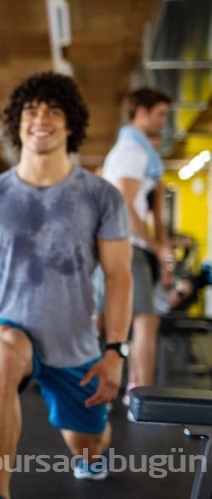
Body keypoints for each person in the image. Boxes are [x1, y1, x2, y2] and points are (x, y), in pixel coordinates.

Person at [0, 72, 133, 498]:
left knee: (87, 444)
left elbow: (119, 276)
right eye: (31, 111)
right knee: (5, 358)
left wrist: (116, 351)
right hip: (8, 326)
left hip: (75, 343)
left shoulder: (101, 196)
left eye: (54, 110)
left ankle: (92, 452)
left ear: (70, 125)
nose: (40, 118)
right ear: (17, 122)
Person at [101, 87, 173, 406]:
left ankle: (137, 389)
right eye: (160, 114)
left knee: (140, 319)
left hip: (130, 246)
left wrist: (161, 248)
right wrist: (156, 246)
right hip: (129, 246)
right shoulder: (132, 151)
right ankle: (140, 394)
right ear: (140, 113)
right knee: (145, 320)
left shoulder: (139, 151)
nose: (164, 122)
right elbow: (126, 207)